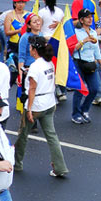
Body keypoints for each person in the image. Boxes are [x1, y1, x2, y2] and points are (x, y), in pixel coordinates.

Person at [14, 36, 69, 177]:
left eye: (31, 47)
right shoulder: (49, 63)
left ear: (34, 50)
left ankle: (16, 163)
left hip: (36, 105)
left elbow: (32, 89)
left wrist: (30, 109)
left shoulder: (35, 66)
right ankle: (60, 167)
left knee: (23, 135)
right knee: (52, 137)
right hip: (50, 103)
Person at [72, 9, 101, 124]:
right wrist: (84, 40)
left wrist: (99, 61)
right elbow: (73, 48)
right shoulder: (75, 32)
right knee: (80, 90)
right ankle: (76, 114)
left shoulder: (93, 32)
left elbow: (96, 50)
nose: (90, 19)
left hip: (90, 63)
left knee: (94, 89)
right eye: (87, 17)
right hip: (79, 63)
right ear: (81, 20)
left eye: (91, 17)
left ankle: (85, 110)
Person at [39, 0, 66, 101]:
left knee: (46, 66)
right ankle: (60, 89)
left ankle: (50, 89)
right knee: (58, 66)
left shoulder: (41, 12)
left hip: (46, 41)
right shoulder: (60, 12)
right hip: (57, 42)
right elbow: (64, 27)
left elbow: (39, 27)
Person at [4, 0, 29, 84]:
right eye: (19, 2)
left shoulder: (28, 14)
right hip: (13, 46)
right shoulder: (10, 15)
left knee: (24, 72)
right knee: (12, 72)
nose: (21, 5)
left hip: (24, 45)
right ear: (15, 3)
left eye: (23, 2)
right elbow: (7, 32)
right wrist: (19, 31)